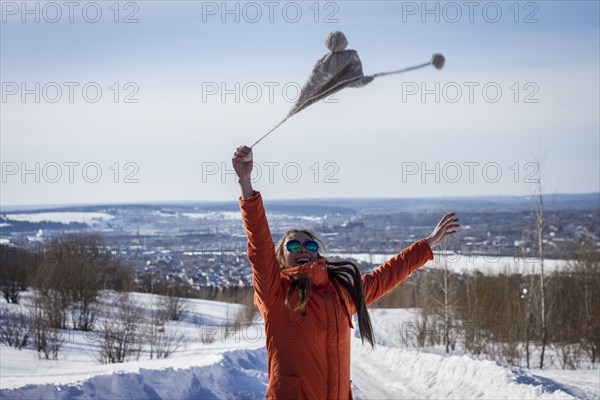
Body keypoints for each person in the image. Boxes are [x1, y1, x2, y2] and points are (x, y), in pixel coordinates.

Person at [232, 145, 459, 400]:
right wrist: (245, 183)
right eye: (293, 245)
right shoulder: (275, 294)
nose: (303, 249)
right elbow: (259, 246)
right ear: (281, 258)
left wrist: (426, 245)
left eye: (310, 244)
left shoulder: (341, 293)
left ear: (318, 252)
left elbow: (385, 276)